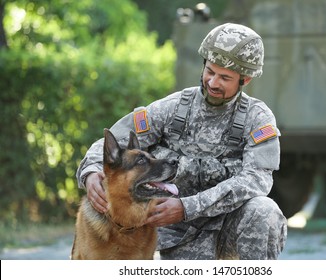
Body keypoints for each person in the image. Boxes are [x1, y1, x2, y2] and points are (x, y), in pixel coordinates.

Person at [76, 23, 287, 260]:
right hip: (174, 234)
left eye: (225, 78)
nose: (213, 82)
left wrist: (188, 207)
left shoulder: (257, 118)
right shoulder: (173, 108)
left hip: (227, 228)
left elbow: (257, 180)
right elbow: (113, 140)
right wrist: (91, 171)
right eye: (210, 71)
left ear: (245, 80)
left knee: (264, 211)